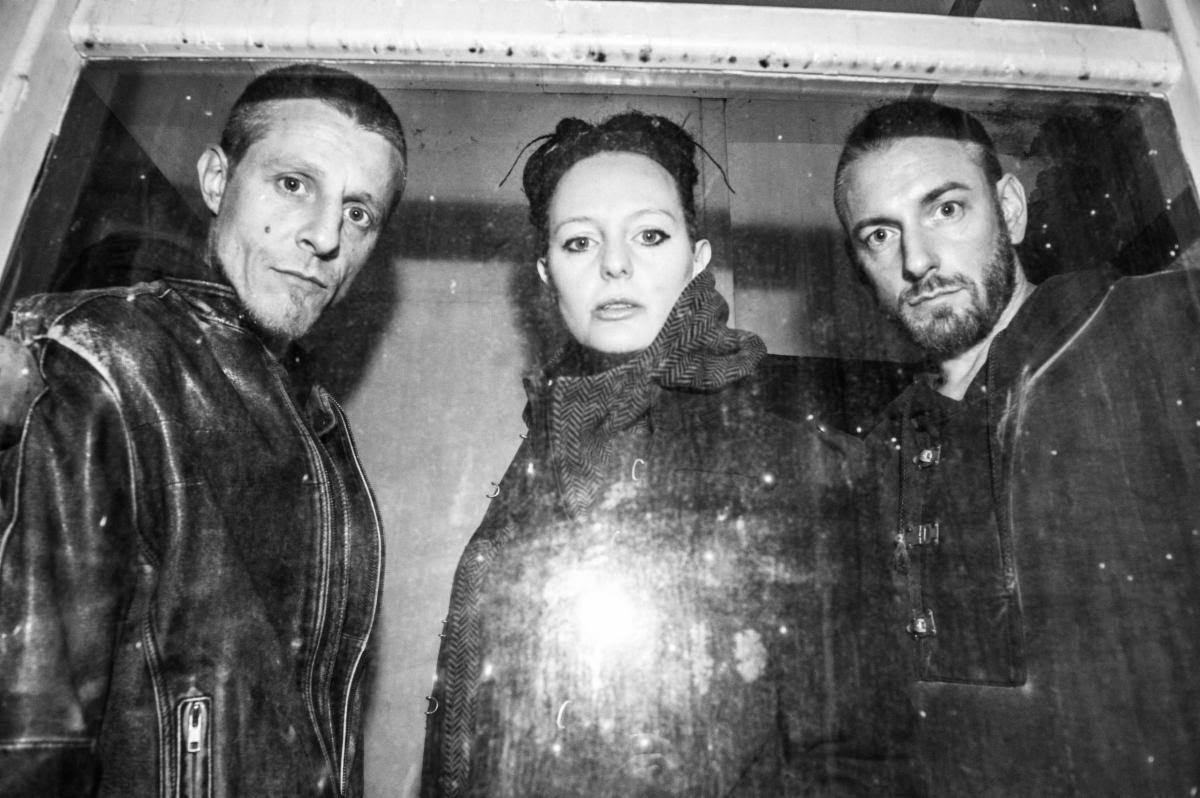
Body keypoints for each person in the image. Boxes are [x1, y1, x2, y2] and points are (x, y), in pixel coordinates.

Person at [421, 111, 914, 797]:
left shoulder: (796, 460)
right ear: (545, 274)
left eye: (650, 235)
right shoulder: (546, 449)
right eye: (579, 242)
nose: (614, 264)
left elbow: (859, 760)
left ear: (697, 259)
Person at [0, 64, 407, 796]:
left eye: (358, 213)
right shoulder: (115, 360)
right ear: (217, 180)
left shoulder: (317, 424)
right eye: (293, 184)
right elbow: (33, 730)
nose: (324, 236)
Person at [834, 98, 1200, 795]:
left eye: (946, 210)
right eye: (880, 235)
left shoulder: (1152, 333)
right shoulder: (880, 454)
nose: (918, 261)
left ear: (1009, 209)